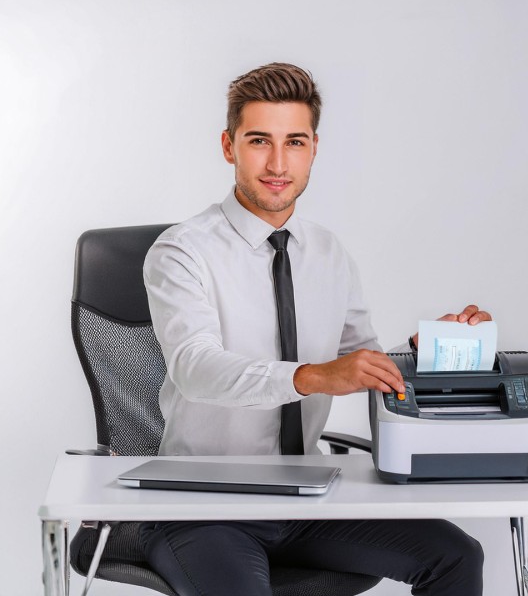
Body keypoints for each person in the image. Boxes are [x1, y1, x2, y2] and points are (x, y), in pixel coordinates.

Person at [140, 62, 489, 596]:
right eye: (260, 141)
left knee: (456, 557)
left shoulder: (328, 253)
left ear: (314, 149)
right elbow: (195, 368)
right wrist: (311, 376)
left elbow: (360, 361)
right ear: (229, 146)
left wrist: (420, 352)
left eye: (294, 142)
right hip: (202, 503)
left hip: (308, 495)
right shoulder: (183, 250)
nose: (278, 163)